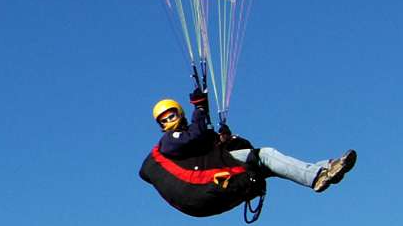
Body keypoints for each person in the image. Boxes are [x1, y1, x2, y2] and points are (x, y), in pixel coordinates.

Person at [140, 90, 357, 218]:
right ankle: (317, 175)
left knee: (266, 163)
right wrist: (200, 110)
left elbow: (214, 145)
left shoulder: (195, 139)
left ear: (179, 113)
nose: (169, 121)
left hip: (214, 179)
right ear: (160, 125)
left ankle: (325, 168)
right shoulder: (169, 142)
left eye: (171, 115)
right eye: (164, 120)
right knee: (266, 155)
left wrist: (225, 139)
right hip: (208, 183)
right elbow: (195, 136)